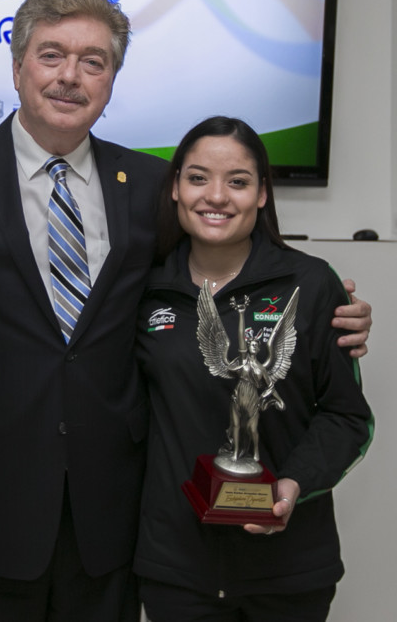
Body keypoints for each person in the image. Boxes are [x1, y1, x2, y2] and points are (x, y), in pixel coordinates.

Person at [0, 0, 373, 622]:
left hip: (115, 515)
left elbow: (228, 271)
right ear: (16, 67)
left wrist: (328, 306)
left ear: (111, 79)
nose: (71, 76)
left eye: (94, 61)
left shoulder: (155, 186)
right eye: (51, 55)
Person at [134, 116, 375, 622]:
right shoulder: (142, 288)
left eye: (238, 181)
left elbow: (347, 417)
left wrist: (292, 485)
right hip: (177, 570)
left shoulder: (309, 284)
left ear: (262, 193)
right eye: (198, 178)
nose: (216, 196)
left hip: (287, 573)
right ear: (175, 187)